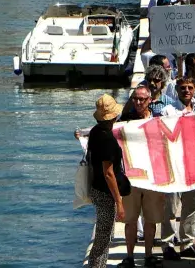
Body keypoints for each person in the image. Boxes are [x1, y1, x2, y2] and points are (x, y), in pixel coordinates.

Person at [120, 85, 165, 267]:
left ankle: (148, 255)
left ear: (150, 101)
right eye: (136, 99)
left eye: (142, 99)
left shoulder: (159, 121)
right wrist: (84, 135)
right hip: (131, 178)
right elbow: (104, 133)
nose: (138, 102)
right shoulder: (123, 121)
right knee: (130, 220)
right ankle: (129, 257)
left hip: (152, 177)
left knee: (151, 219)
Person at [80, 95, 126, 268]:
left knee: (103, 235)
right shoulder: (107, 139)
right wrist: (119, 202)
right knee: (103, 236)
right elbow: (109, 173)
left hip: (97, 189)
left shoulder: (95, 132)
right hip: (106, 192)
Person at [160, 78, 195, 259]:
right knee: (170, 206)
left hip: (194, 163)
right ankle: (168, 244)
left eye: (190, 88)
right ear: (176, 90)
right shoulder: (167, 110)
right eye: (183, 88)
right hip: (173, 163)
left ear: (194, 89)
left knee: (193, 204)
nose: (186, 90)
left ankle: (187, 243)